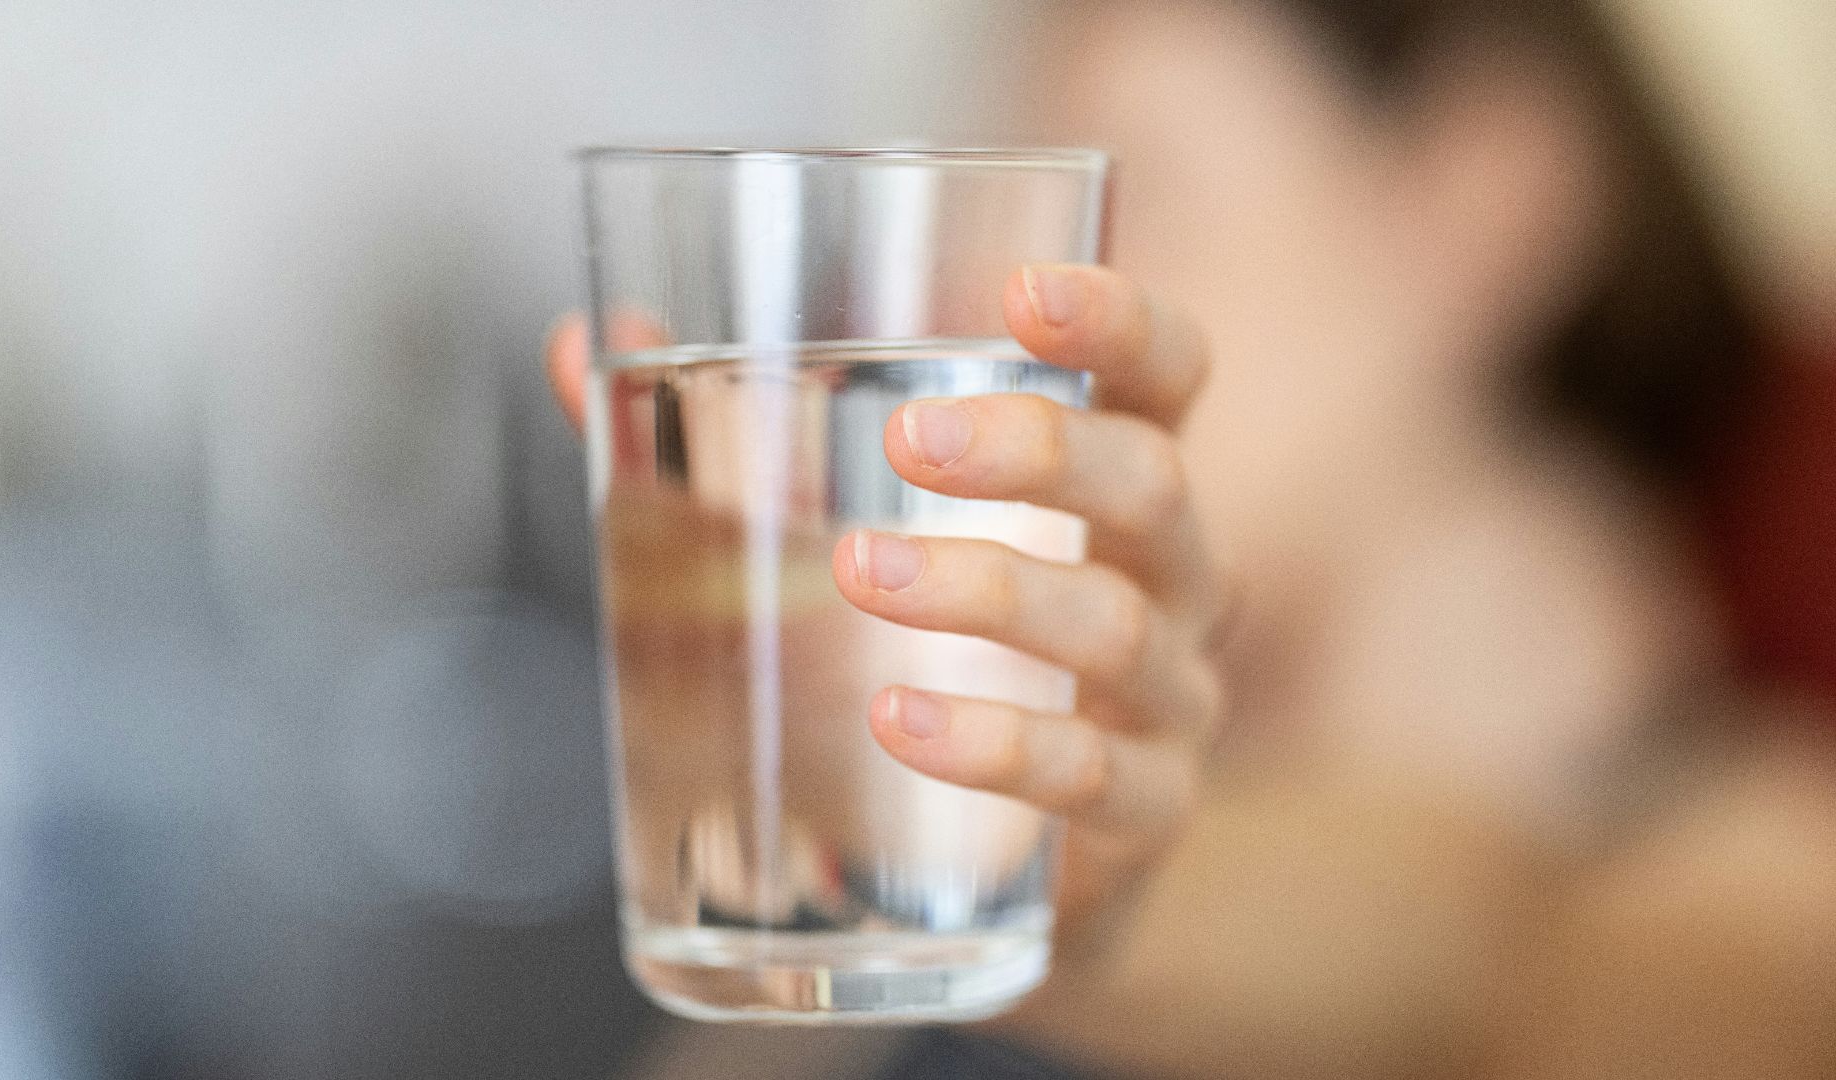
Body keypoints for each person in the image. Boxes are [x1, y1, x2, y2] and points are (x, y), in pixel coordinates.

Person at [547, 0, 1836, 1076]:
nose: (992, 316)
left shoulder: (1754, 866)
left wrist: (1050, 914)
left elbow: (1562, 968)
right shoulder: (990, 853)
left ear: (1484, 190)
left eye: (1134, 194)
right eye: (989, 222)